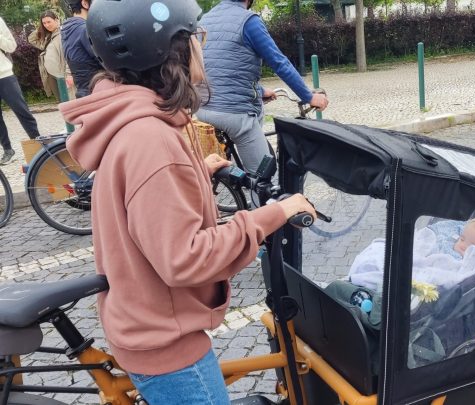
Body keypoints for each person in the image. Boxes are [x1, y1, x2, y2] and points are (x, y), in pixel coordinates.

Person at [59, 0, 316, 403]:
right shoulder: (153, 142)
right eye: (197, 37)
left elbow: (148, 200)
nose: (202, 45)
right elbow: (187, 258)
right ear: (171, 51)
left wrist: (199, 169)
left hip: (142, 323)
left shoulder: (131, 124)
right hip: (167, 345)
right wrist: (273, 214)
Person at [197, 0, 329, 174]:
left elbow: (218, 68)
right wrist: (309, 97)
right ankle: (260, 194)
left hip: (201, 110)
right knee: (263, 177)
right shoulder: (249, 21)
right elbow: (280, 63)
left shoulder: (204, 20)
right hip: (234, 114)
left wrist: (259, 90)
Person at [348, 216, 475, 292]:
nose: (461, 245)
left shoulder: (467, 266)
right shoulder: (446, 243)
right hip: (419, 259)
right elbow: (423, 248)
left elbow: (446, 274)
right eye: (462, 238)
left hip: (427, 274)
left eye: (471, 247)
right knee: (382, 253)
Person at [0, 16, 41, 165]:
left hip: (4, 75)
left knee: (22, 111)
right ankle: (7, 150)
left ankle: (38, 143)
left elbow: (11, 46)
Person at [61, 0, 102, 98]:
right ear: (85, 3)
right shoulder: (84, 29)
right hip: (95, 89)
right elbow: (103, 59)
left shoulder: (68, 29)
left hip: (83, 90)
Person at [28, 10, 62, 101]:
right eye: (44, 23)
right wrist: (41, 28)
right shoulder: (47, 37)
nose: (47, 25)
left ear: (56, 20)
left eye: (49, 22)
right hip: (50, 74)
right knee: (60, 101)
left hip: (62, 74)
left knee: (68, 99)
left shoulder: (63, 33)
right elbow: (31, 39)